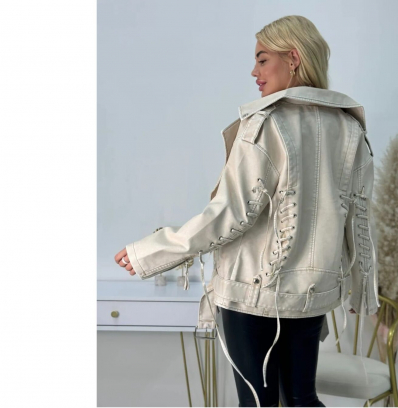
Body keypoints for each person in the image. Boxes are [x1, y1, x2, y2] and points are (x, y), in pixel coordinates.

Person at [115, 15, 379, 407]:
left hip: (252, 293)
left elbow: (230, 214)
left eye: (262, 59)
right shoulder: (350, 129)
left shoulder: (265, 124)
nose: (254, 72)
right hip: (312, 294)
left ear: (293, 58)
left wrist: (152, 252)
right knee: (303, 399)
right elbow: (359, 221)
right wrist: (363, 290)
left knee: (257, 403)